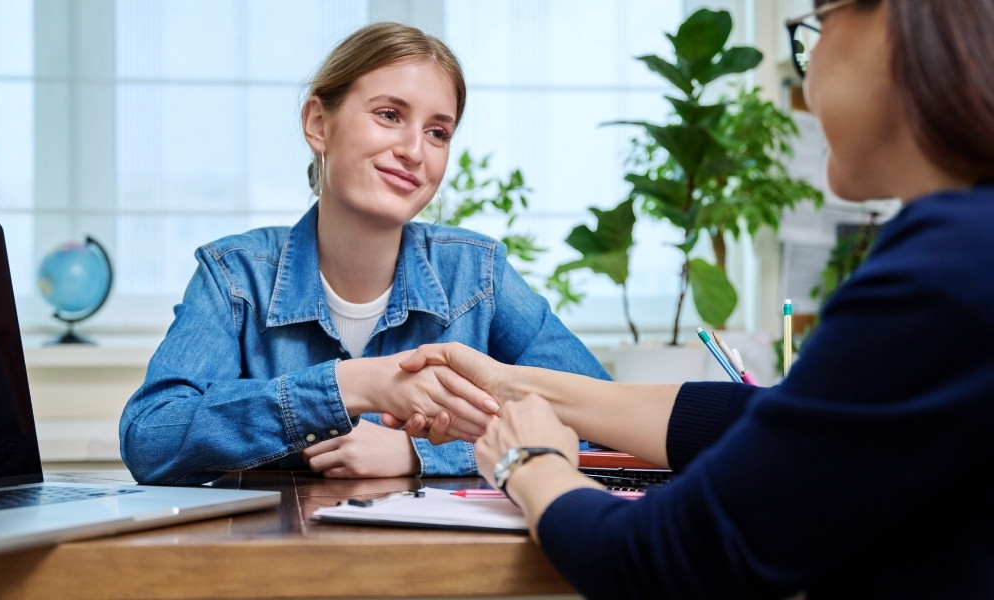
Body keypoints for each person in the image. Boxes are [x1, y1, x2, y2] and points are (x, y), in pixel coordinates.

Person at [394, 1, 994, 597]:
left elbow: (664, 559)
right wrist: (518, 387)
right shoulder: (967, 252)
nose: (808, 71)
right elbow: (778, 421)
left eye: (816, 27)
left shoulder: (948, 267)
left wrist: (527, 465)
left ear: (894, 23)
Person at [118, 22, 609, 486]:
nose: (415, 151)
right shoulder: (236, 277)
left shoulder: (478, 274)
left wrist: (420, 456)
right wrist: (353, 384)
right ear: (318, 124)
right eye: (389, 115)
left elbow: (605, 424)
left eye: (438, 132)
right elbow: (151, 439)